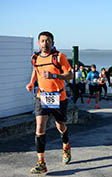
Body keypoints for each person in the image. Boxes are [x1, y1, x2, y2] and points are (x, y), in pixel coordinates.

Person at [26, 31, 73, 174]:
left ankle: (66, 145)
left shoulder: (59, 57)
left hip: (58, 97)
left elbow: (69, 75)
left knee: (60, 126)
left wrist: (54, 75)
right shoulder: (35, 58)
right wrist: (31, 82)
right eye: (42, 41)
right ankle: (41, 163)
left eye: (48, 41)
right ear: (38, 43)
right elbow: (36, 70)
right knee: (40, 128)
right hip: (42, 97)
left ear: (52, 43)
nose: (45, 43)